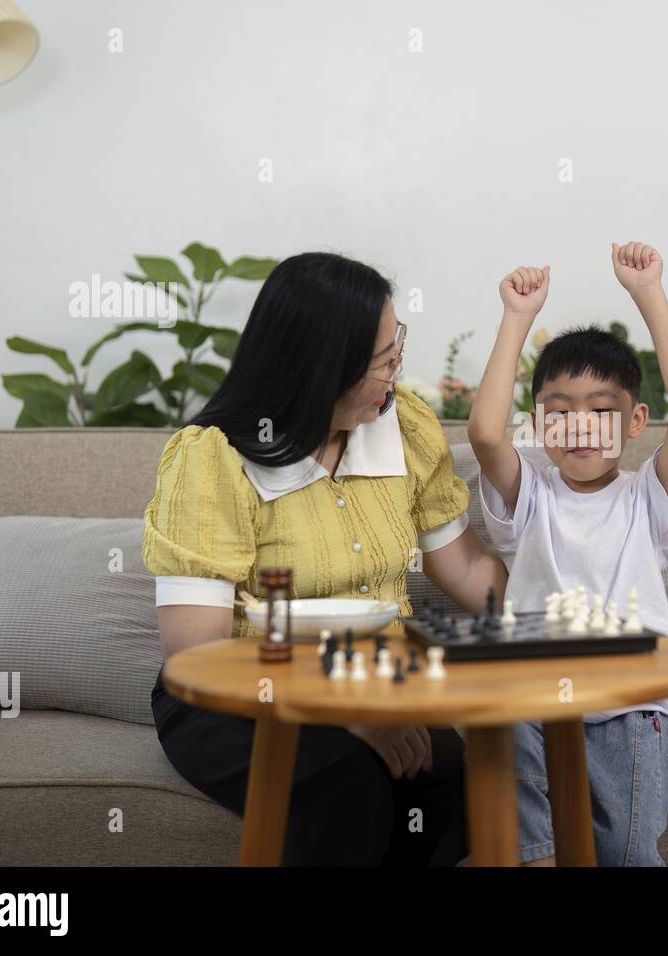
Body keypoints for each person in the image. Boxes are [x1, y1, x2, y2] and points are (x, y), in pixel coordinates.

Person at [143, 251, 507, 866]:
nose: (398, 370)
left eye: (399, 347)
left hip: (371, 681)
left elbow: (465, 567)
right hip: (230, 694)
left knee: (457, 780)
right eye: (384, 360)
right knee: (348, 782)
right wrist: (345, 718)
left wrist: (558, 611)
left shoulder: (405, 428)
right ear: (322, 369)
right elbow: (194, 655)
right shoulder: (215, 460)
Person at [466, 241, 668, 865]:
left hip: (629, 710)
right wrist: (517, 318)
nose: (579, 425)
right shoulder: (529, 497)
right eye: (559, 411)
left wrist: (648, 292)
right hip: (533, 703)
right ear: (541, 423)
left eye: (602, 411)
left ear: (634, 423)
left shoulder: (648, 499)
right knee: (523, 839)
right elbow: (487, 433)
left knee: (623, 855)